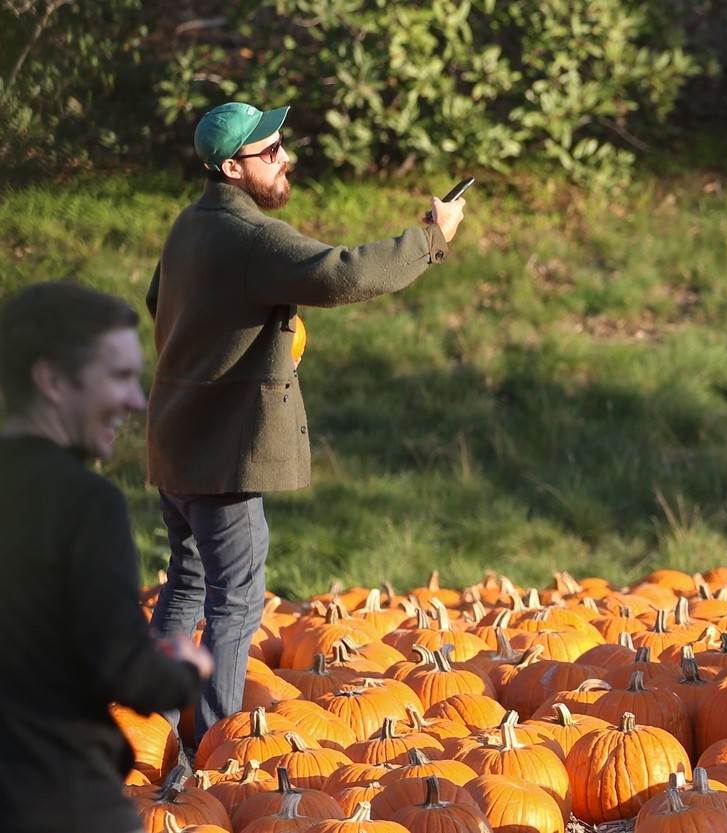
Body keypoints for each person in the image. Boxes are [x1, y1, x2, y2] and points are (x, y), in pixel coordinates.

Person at [145, 101, 467, 743]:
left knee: (186, 584)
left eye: (282, 144)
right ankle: (213, 747)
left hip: (175, 445)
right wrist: (431, 239)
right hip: (223, 456)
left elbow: (161, 301)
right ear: (233, 167)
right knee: (235, 599)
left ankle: (144, 727)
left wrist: (252, 335)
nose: (283, 157)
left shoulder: (190, 225)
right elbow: (340, 274)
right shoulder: (253, 238)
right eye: (269, 152)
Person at [0, 281, 213, 833]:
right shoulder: (84, 503)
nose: (137, 400)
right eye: (118, 377)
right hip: (52, 796)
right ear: (50, 380)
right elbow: (121, 667)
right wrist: (181, 671)